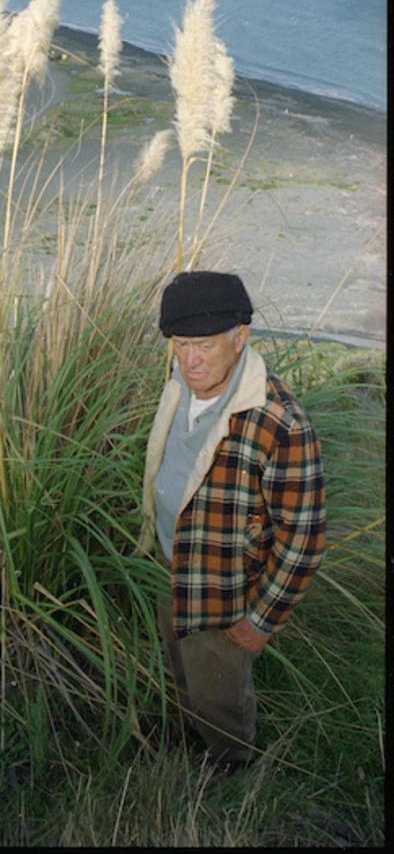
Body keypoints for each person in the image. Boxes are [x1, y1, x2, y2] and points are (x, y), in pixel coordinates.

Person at [137, 270, 326, 769]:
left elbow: (303, 537)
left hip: (226, 590)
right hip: (169, 558)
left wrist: (261, 620)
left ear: (240, 338)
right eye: (179, 345)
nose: (190, 359)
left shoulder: (280, 423)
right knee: (178, 662)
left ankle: (229, 759)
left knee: (217, 683)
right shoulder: (180, 381)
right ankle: (183, 725)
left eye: (203, 345)